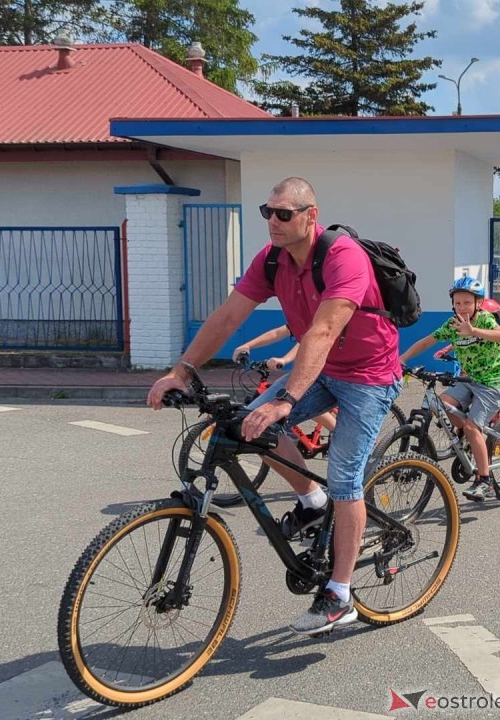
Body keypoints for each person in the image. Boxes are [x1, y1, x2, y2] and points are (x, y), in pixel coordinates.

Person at [147, 176, 403, 636]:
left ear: (310, 215)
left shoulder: (345, 256)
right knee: (249, 424)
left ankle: (340, 594)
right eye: (268, 213)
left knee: (346, 478)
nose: (274, 222)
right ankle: (310, 499)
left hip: (368, 375)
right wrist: (181, 371)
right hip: (322, 368)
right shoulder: (271, 262)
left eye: (284, 213)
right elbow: (227, 316)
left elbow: (323, 331)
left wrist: (286, 399)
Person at [399, 276, 500, 502]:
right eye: (457, 303)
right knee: (442, 405)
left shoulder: (485, 320)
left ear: (478, 303)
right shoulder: (452, 324)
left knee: (470, 427)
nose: (462, 308)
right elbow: (428, 341)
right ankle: (471, 437)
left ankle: (485, 480)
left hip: (492, 383)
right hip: (468, 379)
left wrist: (474, 332)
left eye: (467, 303)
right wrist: (402, 358)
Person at [231, 324, 337, 433]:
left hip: (326, 371)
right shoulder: (300, 315)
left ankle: (337, 432)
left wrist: (285, 360)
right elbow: (277, 333)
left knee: (302, 397)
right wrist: (247, 346)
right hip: (305, 369)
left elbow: (308, 341)